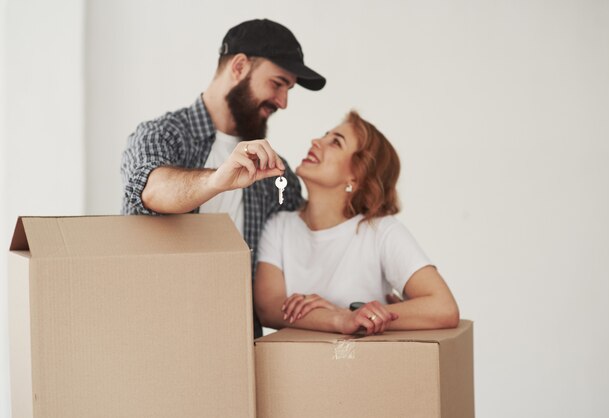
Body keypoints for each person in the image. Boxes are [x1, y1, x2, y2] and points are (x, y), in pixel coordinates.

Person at [120, 19, 326, 338]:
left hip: (241, 345)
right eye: (277, 83)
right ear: (240, 66)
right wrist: (219, 179)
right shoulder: (162, 135)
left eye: (289, 89)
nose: (283, 102)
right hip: (157, 338)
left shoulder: (275, 174)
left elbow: (306, 246)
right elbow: (151, 189)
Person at [254, 111, 460, 335]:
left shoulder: (380, 231)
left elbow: (444, 308)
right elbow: (269, 308)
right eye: (325, 135)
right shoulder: (278, 226)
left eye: (335, 142)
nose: (316, 141)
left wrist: (361, 316)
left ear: (356, 176)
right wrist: (342, 318)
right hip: (297, 368)